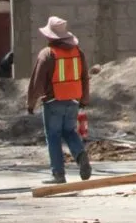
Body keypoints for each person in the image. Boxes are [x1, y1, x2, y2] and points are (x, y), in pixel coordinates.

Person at [27, 16, 92, 185]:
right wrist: (84, 99)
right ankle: (80, 155)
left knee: (54, 137)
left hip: (53, 102)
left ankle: (58, 175)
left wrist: (31, 103)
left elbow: (37, 82)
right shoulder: (78, 52)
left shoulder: (47, 54)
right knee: (70, 132)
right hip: (73, 101)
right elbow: (85, 77)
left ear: (50, 36)